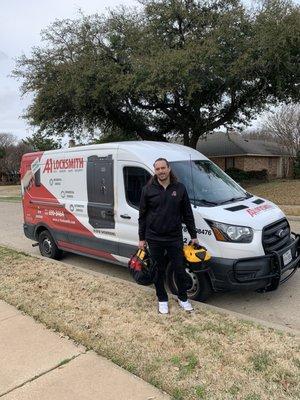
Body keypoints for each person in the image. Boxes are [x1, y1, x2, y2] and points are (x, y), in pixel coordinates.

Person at [138, 158, 199, 314]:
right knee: (158, 270)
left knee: (179, 269)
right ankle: (162, 299)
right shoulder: (148, 189)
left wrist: (193, 235)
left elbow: (187, 213)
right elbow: (142, 216)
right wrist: (142, 238)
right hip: (154, 237)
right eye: (157, 169)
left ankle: (183, 298)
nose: (161, 171)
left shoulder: (180, 188)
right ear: (155, 171)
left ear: (169, 168)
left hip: (174, 237)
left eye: (163, 168)